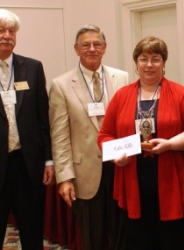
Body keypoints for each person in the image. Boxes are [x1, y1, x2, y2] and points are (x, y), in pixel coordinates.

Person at [0, 9, 54, 250]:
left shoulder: (33, 68)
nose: (7, 36)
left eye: (12, 31)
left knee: (33, 236)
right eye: (0, 30)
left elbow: (42, 118)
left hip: (28, 168)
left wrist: (48, 160)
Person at [97, 36, 184, 250]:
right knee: (139, 240)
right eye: (144, 59)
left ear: (164, 63)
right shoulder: (122, 95)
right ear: (136, 63)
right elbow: (105, 135)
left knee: (174, 240)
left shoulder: (180, 94)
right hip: (133, 179)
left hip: (172, 180)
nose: (149, 64)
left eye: (156, 58)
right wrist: (116, 157)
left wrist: (170, 144)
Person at [49, 24, 129, 250]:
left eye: (97, 44)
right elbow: (60, 135)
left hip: (119, 167)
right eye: (86, 45)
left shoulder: (122, 78)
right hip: (85, 173)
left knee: (121, 233)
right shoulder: (61, 85)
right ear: (76, 49)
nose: (92, 49)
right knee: (92, 236)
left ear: (105, 48)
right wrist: (64, 177)